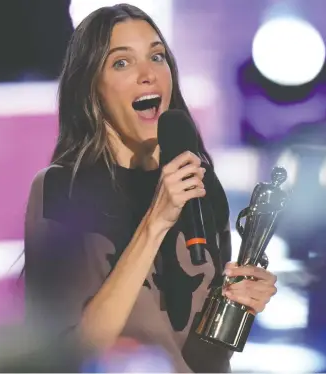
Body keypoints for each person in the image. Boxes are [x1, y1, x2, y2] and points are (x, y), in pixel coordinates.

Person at [22, 4, 278, 372]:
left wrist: (237, 307)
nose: (148, 74)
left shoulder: (200, 185)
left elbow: (205, 361)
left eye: (157, 56)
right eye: (121, 63)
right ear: (91, 87)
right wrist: (156, 221)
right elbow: (68, 356)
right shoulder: (62, 190)